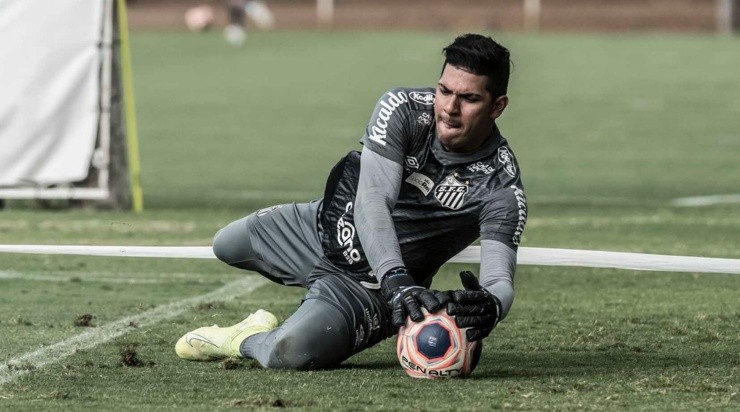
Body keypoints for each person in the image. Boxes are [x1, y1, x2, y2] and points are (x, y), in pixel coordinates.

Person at [175, 33, 527, 370]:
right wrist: (397, 279)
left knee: (289, 352)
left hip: (372, 288)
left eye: (469, 99)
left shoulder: (501, 187)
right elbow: (373, 200)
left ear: (497, 107)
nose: (449, 108)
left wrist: (493, 305)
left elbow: (499, 278)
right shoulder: (403, 108)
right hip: (329, 229)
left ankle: (244, 339)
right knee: (227, 244)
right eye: (444, 91)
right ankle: (308, 294)